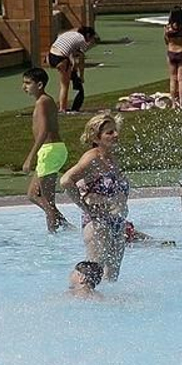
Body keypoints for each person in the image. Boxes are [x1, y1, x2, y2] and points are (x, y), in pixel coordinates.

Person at [60, 112, 131, 282]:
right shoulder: (92, 158)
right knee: (92, 276)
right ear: (96, 137)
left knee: (112, 278)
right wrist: (84, 207)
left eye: (115, 130)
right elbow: (66, 181)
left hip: (116, 223)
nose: (116, 135)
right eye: (109, 132)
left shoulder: (111, 158)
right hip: (98, 224)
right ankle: (76, 296)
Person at [19, 67, 71, 232]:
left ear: (40, 85)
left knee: (44, 199)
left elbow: (43, 131)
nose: (24, 87)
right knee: (34, 195)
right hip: (51, 150)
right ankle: (62, 226)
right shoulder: (45, 100)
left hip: (50, 150)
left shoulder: (42, 102)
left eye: (28, 83)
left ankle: (55, 234)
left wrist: (30, 158)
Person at [46, 25, 100, 112]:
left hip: (50, 56)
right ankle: (62, 108)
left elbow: (70, 51)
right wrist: (81, 76)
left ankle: (62, 106)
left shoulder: (71, 33)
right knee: (64, 85)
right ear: (88, 35)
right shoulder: (82, 40)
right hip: (61, 58)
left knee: (64, 80)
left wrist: (73, 65)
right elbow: (81, 61)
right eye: (91, 39)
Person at [164, 8, 182, 107]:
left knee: (173, 78)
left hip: (171, 52)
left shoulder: (168, 28)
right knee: (181, 79)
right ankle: (181, 101)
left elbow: (166, 41)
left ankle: (173, 103)